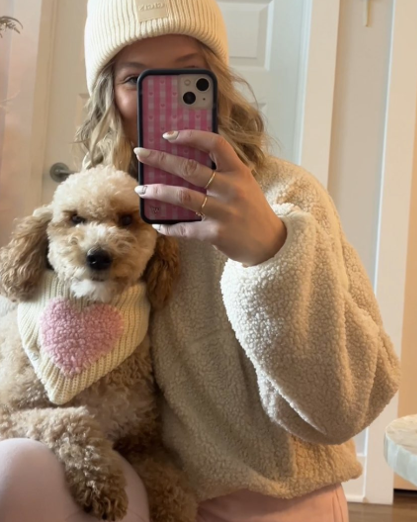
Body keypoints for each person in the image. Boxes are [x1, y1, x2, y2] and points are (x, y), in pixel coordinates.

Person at [0, 0, 400, 521]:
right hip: (143, 482)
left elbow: (343, 409)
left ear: (217, 79)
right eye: (136, 79)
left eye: (187, 73)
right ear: (108, 95)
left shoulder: (286, 196)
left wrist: (270, 254)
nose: (162, 97)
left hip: (273, 497)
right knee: (13, 471)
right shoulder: (96, 208)